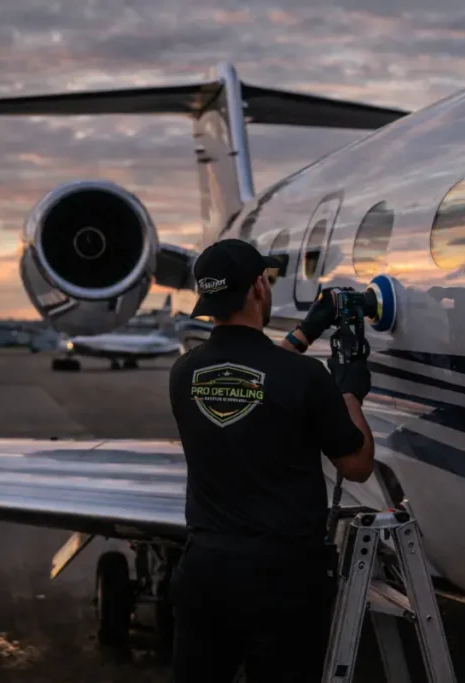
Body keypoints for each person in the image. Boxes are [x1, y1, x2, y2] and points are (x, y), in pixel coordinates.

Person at [167, 238, 375, 683]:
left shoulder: (184, 373)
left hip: (205, 572)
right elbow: (357, 465)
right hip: (284, 581)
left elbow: (257, 374)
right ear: (259, 287)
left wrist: (306, 331)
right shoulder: (304, 377)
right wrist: (349, 392)